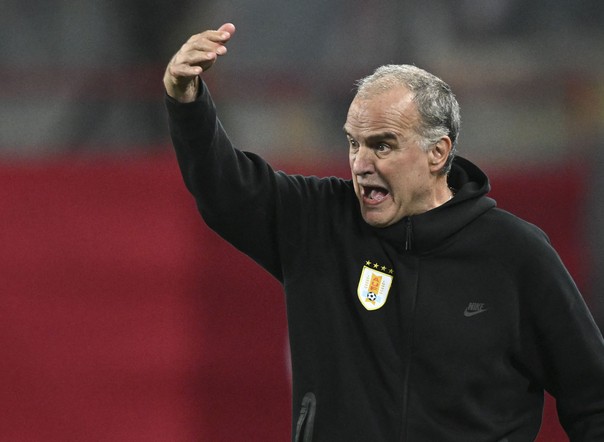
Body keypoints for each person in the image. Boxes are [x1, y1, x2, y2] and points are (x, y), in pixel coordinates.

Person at [163, 23, 604, 441]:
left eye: (382, 145)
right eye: (354, 142)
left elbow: (593, 398)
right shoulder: (318, 223)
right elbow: (224, 188)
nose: (360, 163)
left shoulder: (514, 254)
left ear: (438, 152)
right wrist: (187, 103)